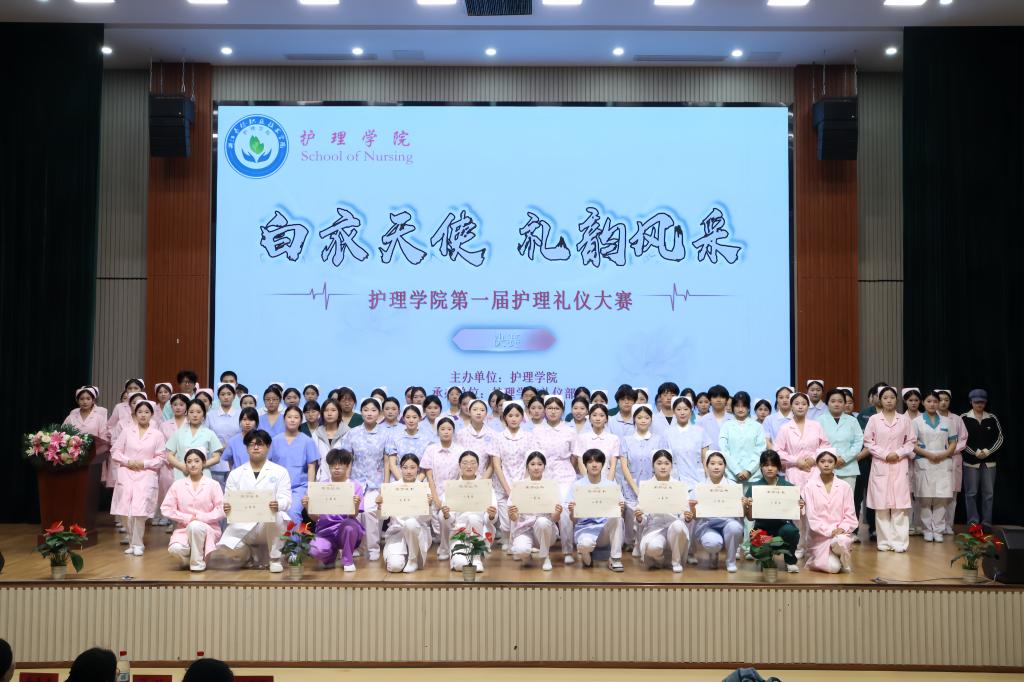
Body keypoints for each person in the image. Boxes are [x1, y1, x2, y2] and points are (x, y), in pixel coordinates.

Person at [213, 429, 291, 573]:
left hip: (266, 524)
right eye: (251, 444)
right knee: (227, 548)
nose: (255, 447)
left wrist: (278, 504)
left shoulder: (280, 471)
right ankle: (248, 556)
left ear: (268, 446)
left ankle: (274, 559)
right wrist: (227, 507)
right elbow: (228, 500)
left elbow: (286, 498)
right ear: (246, 448)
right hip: (243, 524)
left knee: (279, 516)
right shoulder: (235, 474)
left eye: (260, 444)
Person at [334, 397, 389, 560]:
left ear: (379, 413)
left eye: (373, 410)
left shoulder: (386, 434)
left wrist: (385, 487)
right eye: (366, 410)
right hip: (356, 482)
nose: (369, 413)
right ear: (361, 412)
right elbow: (348, 460)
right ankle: (355, 546)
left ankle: (373, 548)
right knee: (355, 513)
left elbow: (387, 461)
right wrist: (346, 483)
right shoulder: (353, 433)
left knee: (371, 513)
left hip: (375, 483)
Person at [863, 386, 916, 552]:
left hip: (900, 464)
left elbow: (911, 441)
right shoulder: (874, 420)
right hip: (881, 464)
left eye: (892, 397)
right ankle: (884, 542)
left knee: (900, 507)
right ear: (880, 399)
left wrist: (898, 453)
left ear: (897, 400)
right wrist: (885, 455)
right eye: (885, 398)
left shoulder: (904, 420)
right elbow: (868, 442)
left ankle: (899, 543)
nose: (888, 400)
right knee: (882, 507)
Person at [110, 400, 166, 556]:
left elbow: (161, 458)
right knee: (124, 511)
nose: (143, 415)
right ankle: (131, 541)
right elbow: (115, 451)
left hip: (146, 474)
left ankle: (138, 544)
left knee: (140, 511)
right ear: (135, 414)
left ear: (152, 415)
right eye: (140, 412)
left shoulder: (157, 434)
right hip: (126, 472)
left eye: (147, 412)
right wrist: (128, 461)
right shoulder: (127, 431)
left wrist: (144, 463)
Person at [530, 394, 579, 563]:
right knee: (542, 511)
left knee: (564, 509)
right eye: (549, 408)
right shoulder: (536, 431)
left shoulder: (570, 431)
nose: (552, 411)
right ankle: (543, 549)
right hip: (543, 476)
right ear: (545, 410)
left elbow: (574, 456)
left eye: (556, 408)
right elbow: (534, 456)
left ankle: (567, 550)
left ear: (562, 411)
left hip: (565, 475)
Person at [617, 404, 669, 556]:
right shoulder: (626, 440)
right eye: (639, 417)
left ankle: (643, 541)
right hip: (631, 485)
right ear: (634, 420)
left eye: (646, 417)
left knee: (650, 514)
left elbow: (662, 464)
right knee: (633, 513)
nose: (643, 420)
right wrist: (635, 487)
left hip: (652, 484)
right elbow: (624, 466)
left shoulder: (659, 440)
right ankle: (632, 541)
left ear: (651, 420)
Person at [162, 448, 225, 571]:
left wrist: (200, 518)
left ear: (203, 463)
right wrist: (188, 518)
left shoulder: (213, 484)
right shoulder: (178, 485)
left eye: (197, 461)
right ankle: (189, 560)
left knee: (195, 526)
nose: (193, 464)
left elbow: (221, 509)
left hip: (208, 527)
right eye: (189, 461)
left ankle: (197, 563)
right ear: (185, 464)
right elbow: (166, 508)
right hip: (184, 528)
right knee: (174, 549)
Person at [633, 450, 695, 572]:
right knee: (653, 548)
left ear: (671, 466)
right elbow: (643, 518)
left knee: (678, 525)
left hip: (674, 526)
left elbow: (684, 512)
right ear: (653, 465)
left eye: (666, 463)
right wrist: (639, 517)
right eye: (659, 463)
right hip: (654, 528)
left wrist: (687, 517)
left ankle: (676, 561)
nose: (663, 467)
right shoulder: (647, 486)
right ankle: (660, 560)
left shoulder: (679, 486)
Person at [304, 448, 365, 572]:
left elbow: (353, 515)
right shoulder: (320, 487)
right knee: (314, 549)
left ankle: (347, 560)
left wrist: (356, 504)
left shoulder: (355, 486)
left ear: (347, 466)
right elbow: (315, 518)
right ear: (329, 467)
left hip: (345, 530)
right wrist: (307, 507)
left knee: (349, 526)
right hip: (325, 530)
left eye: (340, 464)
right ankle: (330, 557)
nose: (336, 468)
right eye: (333, 465)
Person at [742, 450, 802, 573]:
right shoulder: (754, 488)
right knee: (756, 549)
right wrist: (748, 506)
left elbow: (797, 514)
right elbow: (750, 518)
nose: (769, 468)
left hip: (783, 526)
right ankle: (766, 560)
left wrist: (799, 505)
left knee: (791, 531)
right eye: (766, 465)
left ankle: (790, 561)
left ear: (778, 467)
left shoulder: (788, 487)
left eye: (773, 465)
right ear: (761, 467)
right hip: (762, 528)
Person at [439, 450, 498, 572]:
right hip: (459, 533)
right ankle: (460, 554)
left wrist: (492, 515)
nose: (469, 466)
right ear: (459, 465)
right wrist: (446, 514)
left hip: (479, 532)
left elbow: (490, 517)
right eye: (465, 463)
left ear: (478, 465)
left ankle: (476, 557)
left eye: (472, 463)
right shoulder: (452, 487)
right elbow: (450, 520)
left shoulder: (485, 487)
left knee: (473, 517)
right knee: (460, 565)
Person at [567, 449, 625, 571]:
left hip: (604, 530)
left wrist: (620, 509)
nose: (594, 465)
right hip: (585, 529)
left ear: (602, 464)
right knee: (585, 545)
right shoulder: (577, 486)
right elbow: (573, 519)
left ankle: (615, 558)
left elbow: (618, 513)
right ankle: (586, 555)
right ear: (585, 464)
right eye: (590, 462)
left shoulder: (611, 486)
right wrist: (572, 511)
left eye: (598, 461)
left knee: (617, 517)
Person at [491, 401, 537, 551]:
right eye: (510, 415)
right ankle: (507, 538)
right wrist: (507, 488)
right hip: (502, 482)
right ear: (505, 417)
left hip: (522, 480)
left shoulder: (529, 437)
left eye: (517, 415)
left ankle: (521, 542)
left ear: (522, 417)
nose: (514, 418)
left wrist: (522, 485)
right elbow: (496, 465)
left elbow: (531, 462)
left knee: (521, 516)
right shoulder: (498, 437)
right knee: (505, 522)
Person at [802, 448, 856, 573]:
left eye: (830, 461)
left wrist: (841, 529)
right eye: (822, 461)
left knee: (841, 541)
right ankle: (834, 558)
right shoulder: (809, 487)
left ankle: (840, 555)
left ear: (835, 463)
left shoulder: (845, 486)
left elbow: (850, 515)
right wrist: (831, 531)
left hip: (840, 535)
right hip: (819, 537)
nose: (826, 464)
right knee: (833, 568)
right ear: (817, 463)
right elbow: (812, 518)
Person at [912, 391, 957, 542]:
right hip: (924, 461)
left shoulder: (947, 421)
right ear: (923, 403)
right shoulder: (916, 422)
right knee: (925, 498)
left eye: (935, 401)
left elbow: (953, 442)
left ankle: (938, 530)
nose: (932, 404)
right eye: (929, 401)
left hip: (943, 462)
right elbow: (912, 444)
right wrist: (929, 454)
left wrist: (944, 454)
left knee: (941, 498)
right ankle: (927, 529)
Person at [378, 454, 434, 573]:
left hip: (416, 531)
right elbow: (383, 517)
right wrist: (380, 506)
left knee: (411, 523)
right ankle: (402, 556)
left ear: (418, 469)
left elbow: (427, 518)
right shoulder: (392, 487)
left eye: (412, 467)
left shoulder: (423, 488)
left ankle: (413, 559)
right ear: (400, 468)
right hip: (397, 532)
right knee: (395, 567)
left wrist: (428, 505)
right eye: (405, 467)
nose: (409, 471)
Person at [508, 451, 563, 570]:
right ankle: (526, 557)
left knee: (542, 521)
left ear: (544, 467)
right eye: (532, 464)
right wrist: (512, 513)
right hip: (524, 529)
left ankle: (545, 556)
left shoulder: (551, 486)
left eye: (540, 464)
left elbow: (555, 518)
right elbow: (514, 518)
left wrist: (558, 512)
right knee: (521, 550)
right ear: (527, 467)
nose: (536, 467)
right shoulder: (519, 486)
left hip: (545, 530)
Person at [693, 451, 743, 572]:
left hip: (728, 522)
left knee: (735, 527)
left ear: (725, 466)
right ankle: (713, 553)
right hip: (707, 525)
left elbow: (741, 513)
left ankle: (731, 561)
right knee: (712, 543)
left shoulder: (733, 486)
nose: (716, 467)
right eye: (712, 463)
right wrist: (692, 507)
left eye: (720, 464)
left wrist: (744, 504)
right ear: (706, 466)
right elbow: (694, 515)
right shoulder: (699, 487)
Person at [269, 405, 320, 523]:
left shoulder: (307, 441)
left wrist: (310, 489)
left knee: (292, 512)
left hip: (299, 487)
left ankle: (294, 536)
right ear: (284, 419)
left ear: (301, 420)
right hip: (277, 486)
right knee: (275, 514)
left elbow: (311, 467)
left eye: (296, 417)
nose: (292, 420)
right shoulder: (275, 441)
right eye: (289, 417)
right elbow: (269, 464)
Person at [961, 389, 1004, 528]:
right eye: (976, 402)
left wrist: (988, 451)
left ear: (985, 403)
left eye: (982, 402)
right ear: (971, 402)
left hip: (989, 463)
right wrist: (975, 452)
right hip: (970, 463)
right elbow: (961, 439)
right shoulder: (964, 418)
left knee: (988, 494)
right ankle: (973, 523)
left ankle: (986, 523)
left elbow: (1000, 438)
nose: (979, 404)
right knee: (971, 494)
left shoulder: (992, 418)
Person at [421, 416, 461, 561]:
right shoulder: (431, 449)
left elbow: (461, 476)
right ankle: (444, 544)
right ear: (438, 431)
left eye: (449, 429)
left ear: (453, 431)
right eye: (442, 429)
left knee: (449, 518)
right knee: (436, 522)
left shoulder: (460, 450)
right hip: (435, 490)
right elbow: (429, 476)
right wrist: (436, 498)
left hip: (454, 493)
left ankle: (449, 546)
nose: (446, 432)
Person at [816, 388, 864, 495]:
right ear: (827, 403)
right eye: (833, 401)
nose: (836, 404)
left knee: (846, 500)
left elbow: (858, 442)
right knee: (827, 499)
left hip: (849, 468)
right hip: (826, 467)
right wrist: (831, 459)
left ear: (844, 403)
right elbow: (816, 443)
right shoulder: (819, 420)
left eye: (840, 401)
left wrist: (844, 458)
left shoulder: (853, 421)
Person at [164, 399, 224, 479]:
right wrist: (182, 466)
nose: (195, 415)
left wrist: (201, 465)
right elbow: (169, 455)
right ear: (187, 413)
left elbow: (216, 458)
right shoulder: (178, 433)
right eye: (191, 412)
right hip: (182, 474)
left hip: (203, 474)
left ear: (204, 414)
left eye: (198, 412)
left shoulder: (209, 433)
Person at [935, 389, 968, 534]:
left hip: (953, 458)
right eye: (940, 400)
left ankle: (948, 525)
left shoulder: (957, 419)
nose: (943, 403)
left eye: (946, 400)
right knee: (936, 495)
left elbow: (963, 439)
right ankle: (936, 525)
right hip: (936, 459)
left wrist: (949, 451)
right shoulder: (930, 418)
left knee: (952, 496)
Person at [664, 396, 711, 489]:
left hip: (697, 480)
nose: (682, 412)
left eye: (686, 409)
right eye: (678, 409)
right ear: (673, 411)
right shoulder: (667, 433)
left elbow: (705, 460)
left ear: (691, 411)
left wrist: (709, 481)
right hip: (674, 480)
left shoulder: (700, 432)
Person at [205, 383, 240, 488]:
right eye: (222, 394)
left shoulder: (240, 414)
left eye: (229, 394)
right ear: (218, 396)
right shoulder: (210, 415)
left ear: (234, 396)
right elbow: (206, 436)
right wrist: (219, 447)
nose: (226, 397)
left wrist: (229, 447)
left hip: (235, 458)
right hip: (215, 460)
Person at [573, 403, 620, 477]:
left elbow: (613, 466)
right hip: (586, 481)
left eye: (602, 415)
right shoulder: (582, 438)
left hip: (607, 479)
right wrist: (588, 481)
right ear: (589, 418)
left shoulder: (614, 439)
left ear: (606, 419)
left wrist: (608, 482)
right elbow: (581, 463)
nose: (598, 419)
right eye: (594, 415)